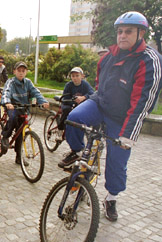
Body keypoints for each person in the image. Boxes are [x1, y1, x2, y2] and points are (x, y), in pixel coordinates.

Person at [58, 11, 162, 222]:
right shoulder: (107, 58)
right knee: (74, 119)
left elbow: (143, 103)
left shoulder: (149, 60)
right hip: (101, 104)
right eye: (120, 31)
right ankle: (79, 153)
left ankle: (111, 197)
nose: (122, 36)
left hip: (123, 118)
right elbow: (99, 85)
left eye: (129, 31)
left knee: (117, 161)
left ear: (141, 33)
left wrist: (128, 136)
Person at [0, 61, 49, 163]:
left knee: (20, 134)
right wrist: (7, 103)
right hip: (13, 107)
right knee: (13, 118)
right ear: (14, 71)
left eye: (23, 71)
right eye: (19, 71)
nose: (21, 73)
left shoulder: (28, 82)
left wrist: (43, 101)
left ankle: (19, 157)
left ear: (26, 72)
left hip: (24, 108)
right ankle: (5, 136)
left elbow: (36, 92)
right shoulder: (11, 82)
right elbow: (6, 92)